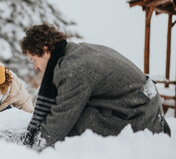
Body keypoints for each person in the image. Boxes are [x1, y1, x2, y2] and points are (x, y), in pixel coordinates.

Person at [20, 23, 171, 151]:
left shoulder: (71, 69)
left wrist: (36, 146)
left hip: (141, 117)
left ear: (46, 50)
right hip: (144, 106)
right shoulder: (77, 51)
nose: (35, 67)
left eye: (34, 59)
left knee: (78, 122)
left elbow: (62, 118)